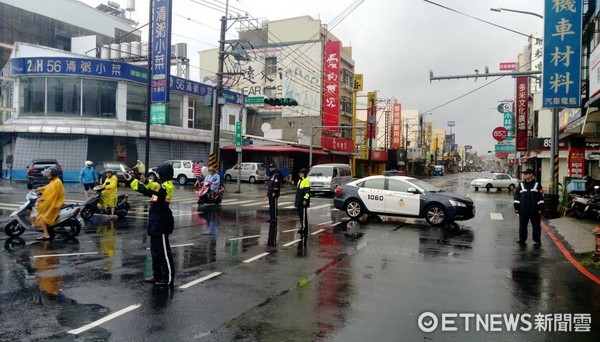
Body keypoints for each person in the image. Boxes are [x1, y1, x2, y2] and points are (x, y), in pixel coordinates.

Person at [124, 163, 175, 287]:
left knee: (164, 252)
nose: (156, 174)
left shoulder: (167, 186)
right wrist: (132, 180)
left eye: (158, 172)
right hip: (154, 224)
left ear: (163, 174)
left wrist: (146, 180)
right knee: (155, 252)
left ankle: (167, 278)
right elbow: (144, 189)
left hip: (162, 224)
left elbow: (156, 187)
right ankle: (157, 275)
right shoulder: (157, 187)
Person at [513, 168, 545, 245]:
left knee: (536, 226)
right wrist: (516, 207)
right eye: (524, 174)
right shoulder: (521, 185)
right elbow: (516, 196)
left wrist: (541, 208)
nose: (524, 175)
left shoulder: (537, 184)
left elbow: (541, 197)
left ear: (531, 174)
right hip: (523, 210)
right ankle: (522, 239)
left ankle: (537, 240)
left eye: (526, 174)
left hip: (535, 210)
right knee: (522, 226)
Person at [34, 167, 65, 241]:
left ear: (53, 175)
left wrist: (43, 199)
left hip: (55, 203)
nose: (47, 175)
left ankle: (46, 234)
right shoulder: (54, 181)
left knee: (42, 217)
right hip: (52, 201)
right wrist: (39, 189)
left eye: (49, 174)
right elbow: (48, 187)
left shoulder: (57, 182)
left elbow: (53, 196)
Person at [294, 168, 311, 234]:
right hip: (299, 200)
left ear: (304, 174)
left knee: (303, 215)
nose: (300, 174)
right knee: (300, 215)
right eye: (300, 173)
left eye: (301, 173)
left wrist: (305, 200)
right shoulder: (300, 180)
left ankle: (304, 228)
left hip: (303, 201)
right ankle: (302, 226)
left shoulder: (306, 181)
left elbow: (307, 192)